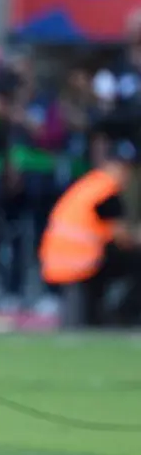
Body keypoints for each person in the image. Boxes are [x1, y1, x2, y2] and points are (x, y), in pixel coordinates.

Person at [39, 138, 141, 326]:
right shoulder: (106, 191)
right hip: (81, 262)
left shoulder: (91, 184)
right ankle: (124, 315)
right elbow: (124, 238)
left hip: (58, 260)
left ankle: (104, 315)